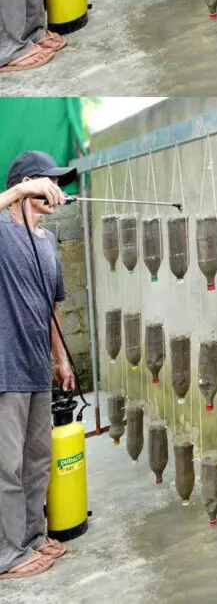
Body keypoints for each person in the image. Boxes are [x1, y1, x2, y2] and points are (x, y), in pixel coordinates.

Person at [0, 151, 76, 581]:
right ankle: (4, 555)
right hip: (4, 367)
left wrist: (61, 359)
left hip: (36, 368)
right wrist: (17, 192)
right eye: (49, 182)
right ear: (29, 185)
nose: (57, 190)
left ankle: (29, 539)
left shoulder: (47, 244)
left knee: (36, 460)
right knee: (5, 466)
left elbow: (52, 306)